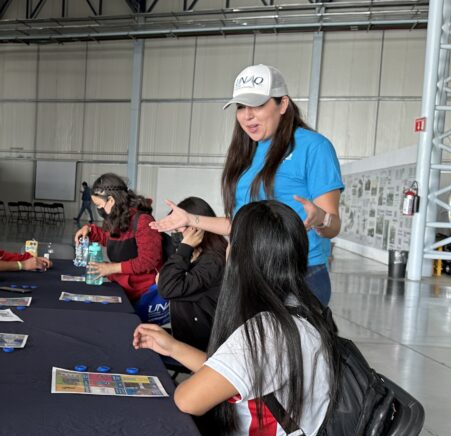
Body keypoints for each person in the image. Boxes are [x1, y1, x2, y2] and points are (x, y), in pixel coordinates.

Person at [133, 200, 338, 436]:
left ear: (242, 258)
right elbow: (231, 376)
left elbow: (187, 399)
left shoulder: (265, 332)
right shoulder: (299, 310)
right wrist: (171, 347)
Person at [152, 65, 344, 305]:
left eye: (258, 105)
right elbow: (240, 224)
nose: (247, 115)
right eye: (241, 107)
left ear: (283, 104)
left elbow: (333, 225)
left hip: (297, 276)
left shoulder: (313, 147)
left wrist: (319, 219)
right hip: (250, 274)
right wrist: (190, 219)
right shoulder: (246, 153)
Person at [73, 174, 166, 319]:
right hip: (123, 288)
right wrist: (89, 230)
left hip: (142, 293)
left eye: (99, 205)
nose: (99, 210)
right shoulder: (116, 217)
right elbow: (109, 238)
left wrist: (112, 268)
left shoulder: (143, 221)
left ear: (111, 200)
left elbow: (148, 260)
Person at [156, 196, 226, 352]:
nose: (175, 235)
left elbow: (166, 287)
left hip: (202, 347)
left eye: (178, 228)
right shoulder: (196, 254)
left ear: (197, 228)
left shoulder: (213, 262)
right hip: (186, 336)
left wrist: (185, 247)